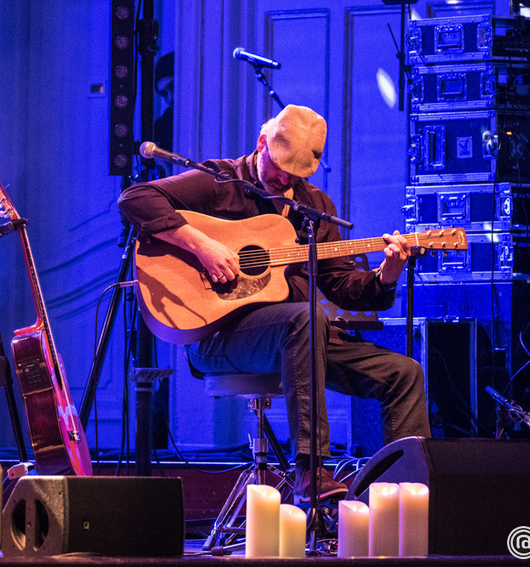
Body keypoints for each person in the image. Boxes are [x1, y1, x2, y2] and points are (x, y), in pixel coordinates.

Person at [118, 105, 430, 502]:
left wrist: (388, 273)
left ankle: (406, 501)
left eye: (297, 174)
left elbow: (342, 284)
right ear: (262, 143)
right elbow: (137, 197)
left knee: (404, 374)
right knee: (306, 320)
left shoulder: (314, 208)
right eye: (280, 167)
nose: (285, 180)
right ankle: (311, 471)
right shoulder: (220, 181)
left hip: (302, 336)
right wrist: (203, 244)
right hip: (219, 336)